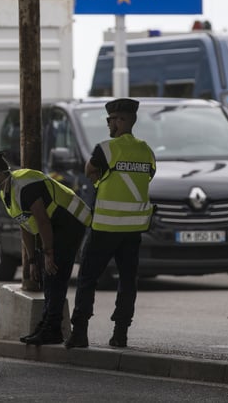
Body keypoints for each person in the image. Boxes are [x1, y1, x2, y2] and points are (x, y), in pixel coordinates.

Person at [0, 150, 92, 346]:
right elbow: (26, 225)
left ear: (0, 173)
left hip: (69, 221)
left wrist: (49, 254)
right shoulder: (6, 191)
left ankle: (52, 328)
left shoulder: (25, 186)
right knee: (46, 274)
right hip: (51, 226)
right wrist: (31, 260)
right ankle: (47, 324)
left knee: (55, 273)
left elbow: (42, 221)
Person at [65, 98, 156, 349]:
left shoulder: (106, 149)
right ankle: (120, 334)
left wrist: (100, 183)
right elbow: (148, 176)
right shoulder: (146, 150)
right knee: (128, 281)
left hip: (104, 229)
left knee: (87, 279)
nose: (109, 125)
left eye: (112, 120)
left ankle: (80, 332)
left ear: (123, 120)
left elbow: (89, 169)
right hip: (133, 231)